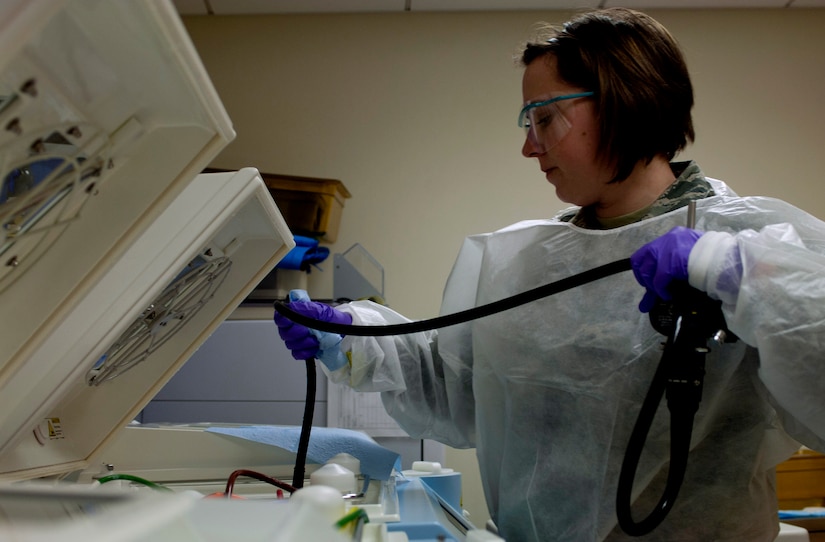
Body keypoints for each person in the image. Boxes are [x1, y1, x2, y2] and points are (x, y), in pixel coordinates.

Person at [275, 8, 825, 541]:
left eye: (544, 118)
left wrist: (736, 274)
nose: (528, 145)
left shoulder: (751, 240)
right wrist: (355, 335)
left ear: (622, 103)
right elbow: (466, 391)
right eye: (527, 121)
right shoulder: (532, 260)